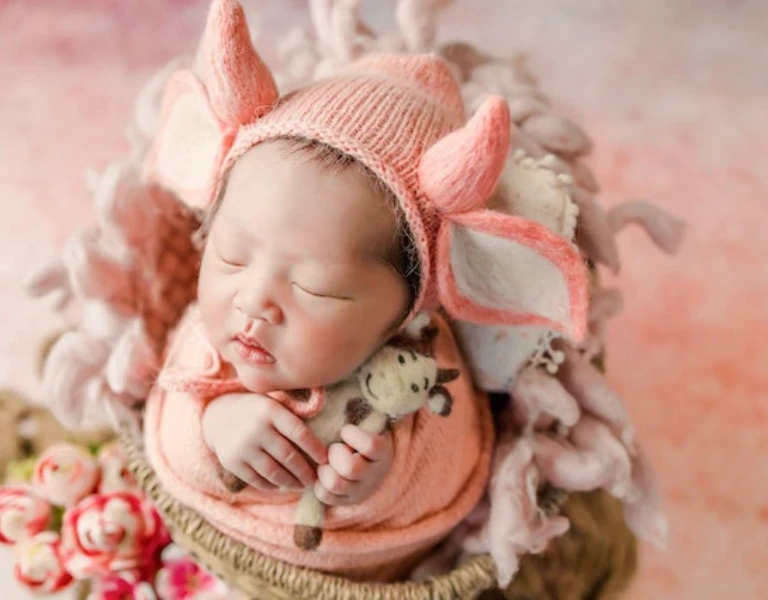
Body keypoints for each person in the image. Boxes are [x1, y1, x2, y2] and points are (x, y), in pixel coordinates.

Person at [141, 0, 587, 582]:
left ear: (407, 309)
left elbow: (452, 472)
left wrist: (378, 483)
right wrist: (211, 429)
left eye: (317, 289)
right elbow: (168, 407)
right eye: (229, 256)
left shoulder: (420, 367)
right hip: (217, 554)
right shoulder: (210, 343)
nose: (253, 301)